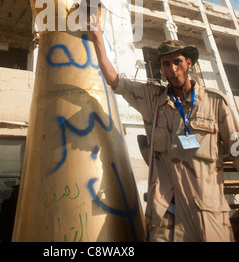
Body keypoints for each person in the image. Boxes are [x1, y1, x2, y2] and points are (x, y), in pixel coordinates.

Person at [88, 15, 239, 242]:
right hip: (165, 217)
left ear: (189, 62)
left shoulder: (215, 102)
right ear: (161, 68)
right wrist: (97, 39)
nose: (173, 69)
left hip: (207, 217)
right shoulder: (153, 100)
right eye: (166, 64)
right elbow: (115, 80)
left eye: (177, 61)